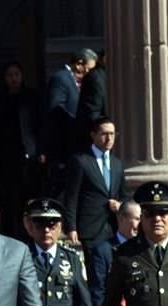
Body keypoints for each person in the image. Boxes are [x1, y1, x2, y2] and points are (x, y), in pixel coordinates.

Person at [0, 61, 43, 237]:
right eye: (10, 75)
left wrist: (40, 151)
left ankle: (28, 232)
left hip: (28, 156)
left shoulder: (32, 97)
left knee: (27, 196)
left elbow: (40, 126)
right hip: (4, 156)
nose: (13, 79)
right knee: (6, 197)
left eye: (16, 74)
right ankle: (8, 232)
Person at [64, 117, 127, 249]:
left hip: (113, 228)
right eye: (104, 134)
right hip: (90, 228)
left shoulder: (117, 164)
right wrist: (71, 227)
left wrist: (120, 205)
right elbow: (71, 197)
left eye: (112, 134)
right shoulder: (81, 161)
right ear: (93, 135)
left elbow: (123, 194)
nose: (109, 139)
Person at [42, 48, 97, 196]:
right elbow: (56, 108)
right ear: (79, 64)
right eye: (90, 69)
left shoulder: (74, 81)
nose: (91, 73)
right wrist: (77, 122)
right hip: (62, 147)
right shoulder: (61, 78)